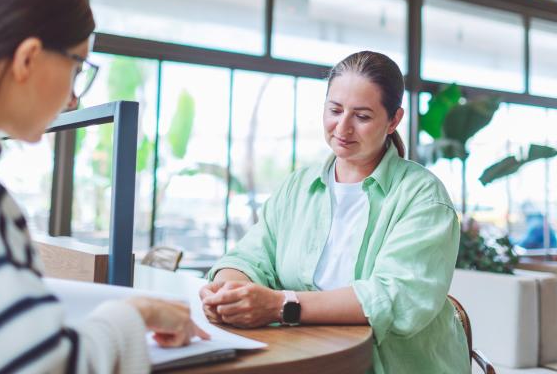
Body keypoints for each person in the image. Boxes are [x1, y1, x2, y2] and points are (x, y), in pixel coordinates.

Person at [0, 0, 208, 373]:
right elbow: (37, 366)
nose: (74, 98)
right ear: (27, 58)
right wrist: (130, 318)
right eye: (78, 69)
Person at [201, 51, 470, 374]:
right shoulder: (299, 187)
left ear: (393, 120)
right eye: (335, 110)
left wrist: (279, 305)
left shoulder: (423, 197)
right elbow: (249, 257)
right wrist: (229, 291)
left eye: (362, 116)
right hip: (304, 356)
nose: (343, 127)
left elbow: (395, 297)